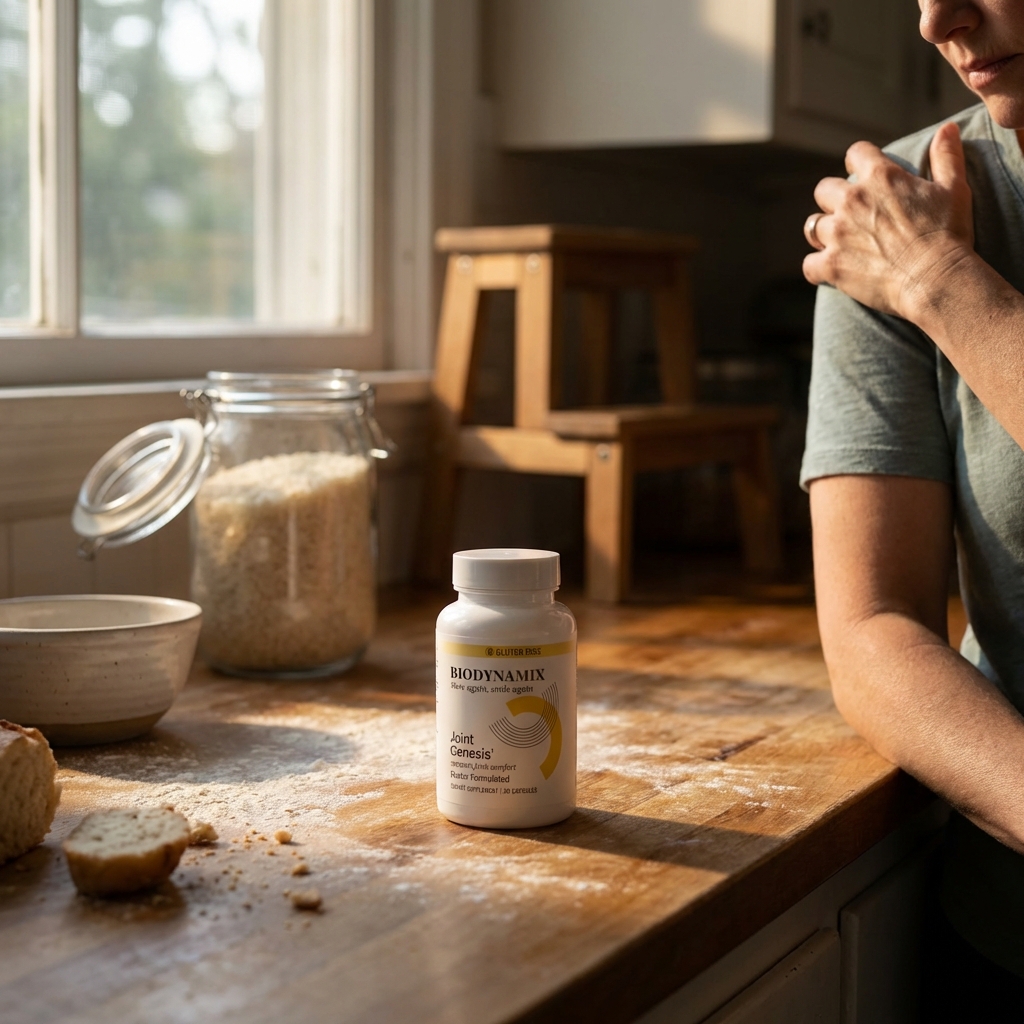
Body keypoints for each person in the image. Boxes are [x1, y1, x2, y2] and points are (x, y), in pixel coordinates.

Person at [801, 1, 1024, 1017]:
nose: (937, 18)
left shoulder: (911, 249)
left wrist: (942, 282)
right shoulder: (893, 207)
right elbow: (873, 625)